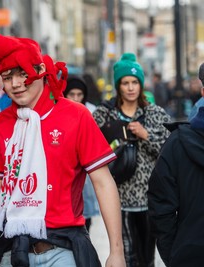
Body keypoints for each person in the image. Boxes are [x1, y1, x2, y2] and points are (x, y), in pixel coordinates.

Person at [0, 11, 126, 267]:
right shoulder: (3, 122)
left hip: (62, 248)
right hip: (14, 248)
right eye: (7, 77)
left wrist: (116, 251)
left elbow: (103, 182)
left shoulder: (76, 115)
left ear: (41, 70)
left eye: (21, 73)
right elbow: (7, 185)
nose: (15, 84)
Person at [93, 52, 171, 267]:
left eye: (135, 82)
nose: (130, 87)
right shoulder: (104, 114)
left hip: (149, 197)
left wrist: (145, 135)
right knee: (126, 256)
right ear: (118, 85)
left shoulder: (155, 113)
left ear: (141, 85)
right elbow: (91, 149)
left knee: (147, 258)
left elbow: (170, 149)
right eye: (125, 82)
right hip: (118, 197)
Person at [148, 108, 204, 266]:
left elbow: (159, 205)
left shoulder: (177, 142)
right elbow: (160, 205)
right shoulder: (177, 143)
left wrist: (174, 254)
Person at [63, 75, 100, 232]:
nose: (76, 98)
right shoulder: (59, 111)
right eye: (72, 94)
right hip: (66, 169)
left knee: (86, 214)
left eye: (80, 95)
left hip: (86, 169)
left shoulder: (91, 111)